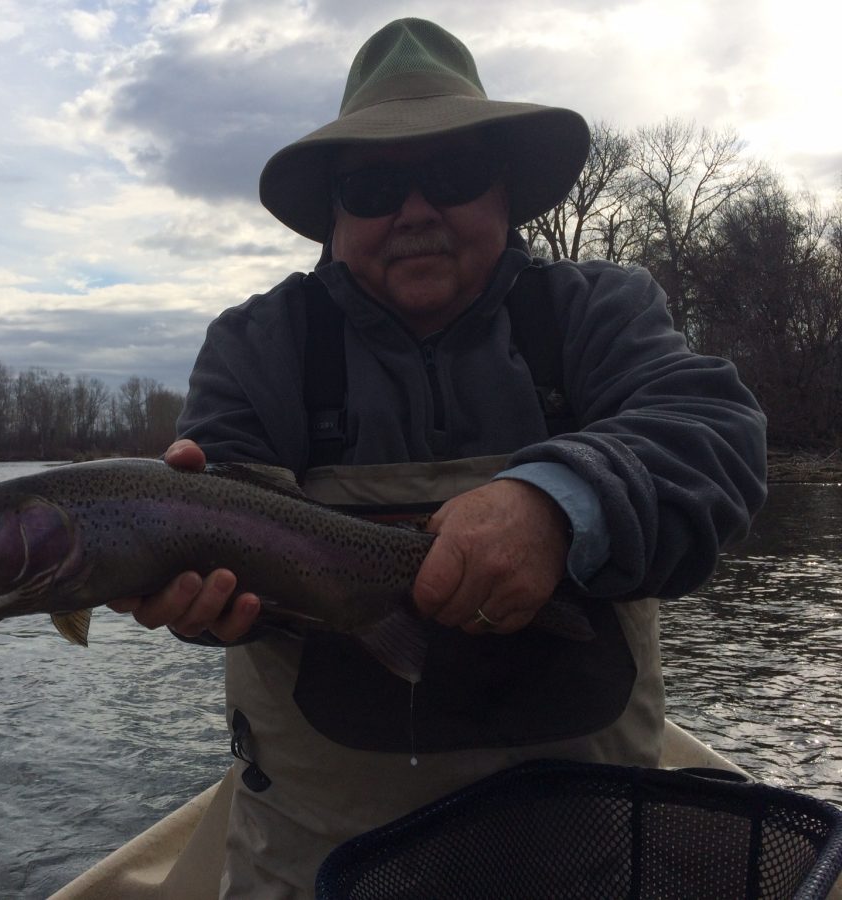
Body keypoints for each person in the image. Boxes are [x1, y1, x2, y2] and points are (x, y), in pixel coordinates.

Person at [110, 17, 767, 897]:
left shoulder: (597, 311)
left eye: (453, 176)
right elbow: (227, 559)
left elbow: (717, 434)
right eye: (376, 186)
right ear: (336, 216)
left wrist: (552, 503)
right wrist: (199, 600)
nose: (415, 211)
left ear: (504, 194)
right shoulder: (257, 345)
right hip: (321, 864)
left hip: (588, 856)